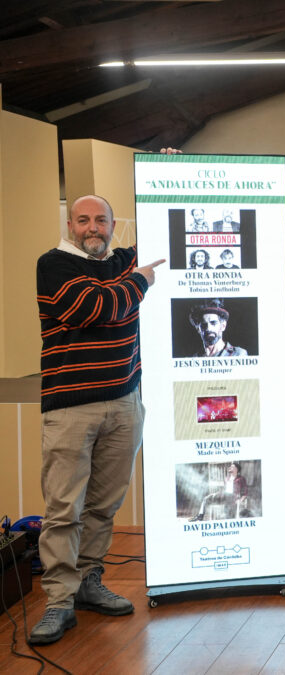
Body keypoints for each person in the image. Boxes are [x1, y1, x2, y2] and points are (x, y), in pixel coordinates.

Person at [30, 195, 163, 645]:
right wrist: (141, 283)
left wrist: (166, 168)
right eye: (83, 220)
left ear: (112, 224)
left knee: (103, 505)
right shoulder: (54, 264)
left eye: (101, 220)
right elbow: (95, 309)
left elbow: (162, 232)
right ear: (70, 224)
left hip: (125, 402)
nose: (93, 228)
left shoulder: (122, 263)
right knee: (63, 509)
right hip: (70, 408)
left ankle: (88, 582)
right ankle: (58, 603)